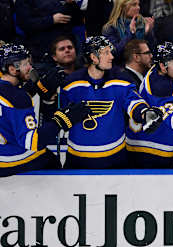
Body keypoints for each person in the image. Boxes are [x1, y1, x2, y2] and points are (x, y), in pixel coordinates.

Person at [59, 36, 161, 169]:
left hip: (114, 158)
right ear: (93, 57)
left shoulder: (121, 79)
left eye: (110, 52)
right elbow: (61, 115)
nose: (111, 57)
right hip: (77, 159)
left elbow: (133, 101)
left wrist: (145, 113)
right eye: (106, 52)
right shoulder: (71, 83)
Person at [0, 43, 88, 177]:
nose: (30, 67)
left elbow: (10, 101)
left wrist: (37, 87)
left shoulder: (11, 92)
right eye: (25, 64)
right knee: (51, 161)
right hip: (9, 161)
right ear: (12, 69)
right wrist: (61, 120)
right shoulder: (18, 97)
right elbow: (31, 141)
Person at [15, 0, 84, 64]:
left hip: (68, 42)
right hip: (42, 48)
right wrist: (52, 20)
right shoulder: (23, 1)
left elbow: (78, 21)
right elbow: (25, 24)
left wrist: (71, 4)